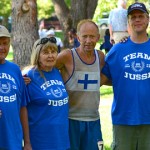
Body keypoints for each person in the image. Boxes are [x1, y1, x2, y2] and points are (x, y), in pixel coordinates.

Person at [101, 2, 150, 150]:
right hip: (123, 118)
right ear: (128, 22)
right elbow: (103, 79)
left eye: (141, 16)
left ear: (148, 19)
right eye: (133, 17)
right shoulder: (117, 50)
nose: (137, 20)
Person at [56, 19, 105, 150]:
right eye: (84, 36)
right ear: (78, 37)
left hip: (93, 121)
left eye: (92, 36)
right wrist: (25, 77)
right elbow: (44, 66)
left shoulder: (100, 57)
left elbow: (111, 77)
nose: (88, 40)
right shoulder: (67, 56)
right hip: (71, 120)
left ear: (98, 37)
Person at [22, 37, 70, 150]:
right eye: (45, 52)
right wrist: (27, 142)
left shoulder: (57, 73)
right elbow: (22, 111)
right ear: (37, 56)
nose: (51, 56)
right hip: (40, 142)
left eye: (53, 52)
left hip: (62, 141)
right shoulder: (29, 76)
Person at [0, 25, 32, 149]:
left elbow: (22, 107)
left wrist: (27, 142)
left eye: (5, 43)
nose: (1, 48)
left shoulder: (14, 70)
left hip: (13, 140)